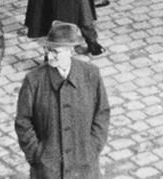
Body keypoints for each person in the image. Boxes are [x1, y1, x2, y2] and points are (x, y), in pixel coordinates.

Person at [15, 20, 110, 178]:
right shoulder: (33, 80)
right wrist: (37, 155)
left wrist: (93, 147)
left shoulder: (91, 75)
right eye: (48, 50)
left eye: (56, 52)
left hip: (85, 169)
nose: (50, 56)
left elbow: (102, 113)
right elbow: (23, 122)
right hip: (48, 171)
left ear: (70, 51)